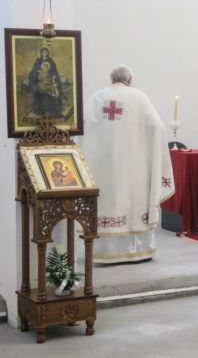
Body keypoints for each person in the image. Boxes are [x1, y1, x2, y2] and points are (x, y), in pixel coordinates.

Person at [80, 65, 174, 264]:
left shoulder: (96, 98)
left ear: (111, 78)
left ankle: (106, 253)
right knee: (135, 201)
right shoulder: (140, 98)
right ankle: (139, 251)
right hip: (135, 164)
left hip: (105, 166)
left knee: (108, 201)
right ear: (130, 80)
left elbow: (82, 126)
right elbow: (157, 126)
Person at [28, 46, 63, 117]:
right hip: (40, 82)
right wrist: (37, 76)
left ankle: (52, 111)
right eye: (43, 52)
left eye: (46, 52)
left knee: (53, 91)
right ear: (41, 53)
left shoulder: (51, 61)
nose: (44, 53)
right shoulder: (38, 61)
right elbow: (34, 71)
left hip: (50, 81)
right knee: (40, 90)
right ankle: (41, 110)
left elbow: (54, 72)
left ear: (48, 53)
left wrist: (54, 79)